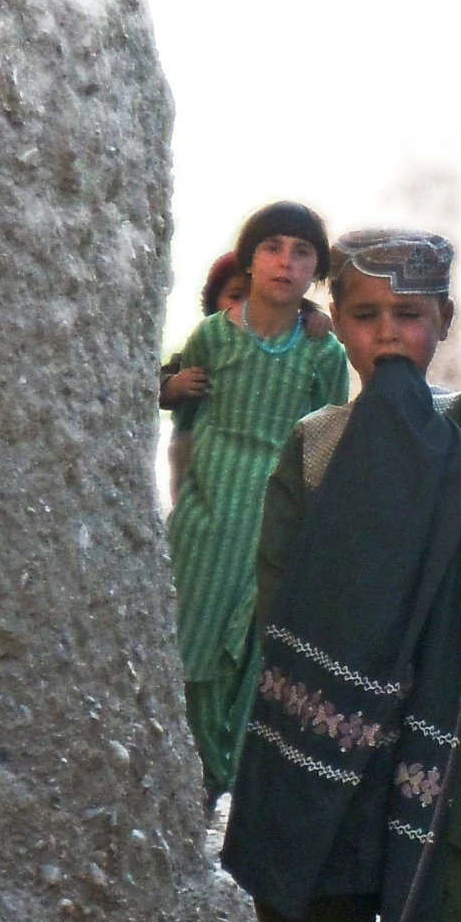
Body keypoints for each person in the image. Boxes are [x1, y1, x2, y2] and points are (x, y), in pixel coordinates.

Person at [219, 230, 461, 922]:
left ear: (444, 323)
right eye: (366, 316)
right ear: (337, 326)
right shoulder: (314, 441)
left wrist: (409, 428)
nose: (389, 335)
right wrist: (301, 679)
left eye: (409, 316)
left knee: (446, 847)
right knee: (318, 832)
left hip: (436, 686)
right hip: (326, 687)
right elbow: (277, 569)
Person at [162, 202, 349, 804]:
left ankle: (232, 778)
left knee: (256, 651)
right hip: (209, 518)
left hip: (277, 521)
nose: (286, 263)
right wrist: (184, 502)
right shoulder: (213, 338)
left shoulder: (324, 353)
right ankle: (189, 778)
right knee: (193, 638)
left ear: (316, 270)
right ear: (248, 260)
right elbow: (185, 431)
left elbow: (326, 448)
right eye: (273, 248)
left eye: (302, 253)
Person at [159, 253, 330, 505]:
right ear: (212, 301)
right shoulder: (209, 343)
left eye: (257, 296)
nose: (248, 307)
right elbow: (153, 386)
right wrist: (174, 386)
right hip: (201, 462)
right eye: (235, 296)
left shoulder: (289, 347)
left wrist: (316, 317)